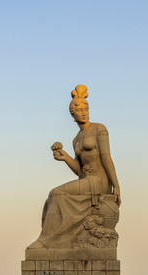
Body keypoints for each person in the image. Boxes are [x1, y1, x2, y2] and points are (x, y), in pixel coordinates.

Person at [27, 84, 121, 249]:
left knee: (57, 193)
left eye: (86, 109)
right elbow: (80, 171)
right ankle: (53, 239)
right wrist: (65, 158)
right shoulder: (76, 139)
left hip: (99, 182)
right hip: (87, 180)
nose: (83, 112)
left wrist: (116, 186)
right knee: (53, 196)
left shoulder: (100, 129)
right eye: (79, 110)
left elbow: (107, 158)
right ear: (73, 115)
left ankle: (46, 241)